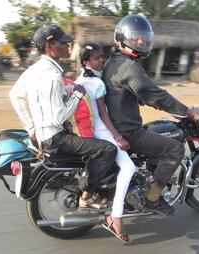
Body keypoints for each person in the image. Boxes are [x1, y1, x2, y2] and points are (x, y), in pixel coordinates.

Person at [9, 25, 117, 209]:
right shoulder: (52, 75)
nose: (68, 46)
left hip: (44, 135)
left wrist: (31, 128)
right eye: (64, 43)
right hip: (55, 138)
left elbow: (15, 95)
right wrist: (77, 95)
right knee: (107, 150)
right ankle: (87, 196)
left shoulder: (34, 69)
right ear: (50, 45)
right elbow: (59, 116)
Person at [103, 15, 199, 216]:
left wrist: (146, 98)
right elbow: (154, 94)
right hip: (127, 131)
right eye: (135, 38)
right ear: (121, 38)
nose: (140, 41)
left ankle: (144, 182)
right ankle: (152, 198)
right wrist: (186, 111)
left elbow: (134, 91)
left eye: (142, 38)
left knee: (155, 134)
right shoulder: (129, 67)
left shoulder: (113, 61)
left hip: (112, 125)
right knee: (174, 149)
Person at [74, 42, 136, 242]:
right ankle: (116, 216)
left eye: (102, 57)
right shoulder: (98, 84)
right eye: (96, 58)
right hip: (102, 131)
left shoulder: (80, 79)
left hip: (87, 131)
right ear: (86, 62)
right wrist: (117, 137)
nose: (101, 61)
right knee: (129, 167)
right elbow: (103, 114)